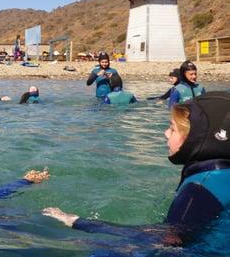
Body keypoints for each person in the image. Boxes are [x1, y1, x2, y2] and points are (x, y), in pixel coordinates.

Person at [43, 92, 230, 246]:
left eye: (172, 129)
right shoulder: (219, 174)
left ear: (199, 139)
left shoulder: (197, 190)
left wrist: (77, 221)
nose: (165, 133)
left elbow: (170, 240)